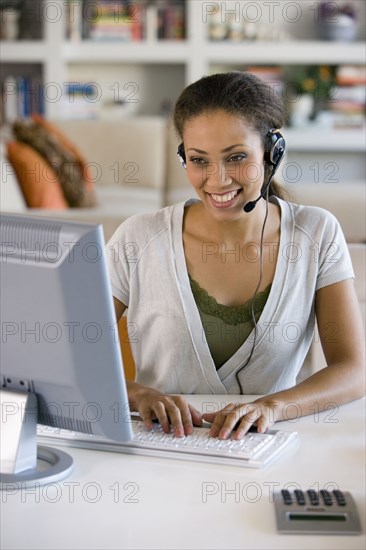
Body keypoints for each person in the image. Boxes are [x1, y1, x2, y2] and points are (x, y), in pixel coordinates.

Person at [107, 72, 365, 440]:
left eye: (237, 158)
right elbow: (68, 353)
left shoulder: (316, 234)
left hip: (264, 448)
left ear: (272, 152)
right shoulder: (139, 237)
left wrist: (272, 407)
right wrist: (138, 393)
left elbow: (353, 369)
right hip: (161, 446)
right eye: (199, 160)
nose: (217, 180)